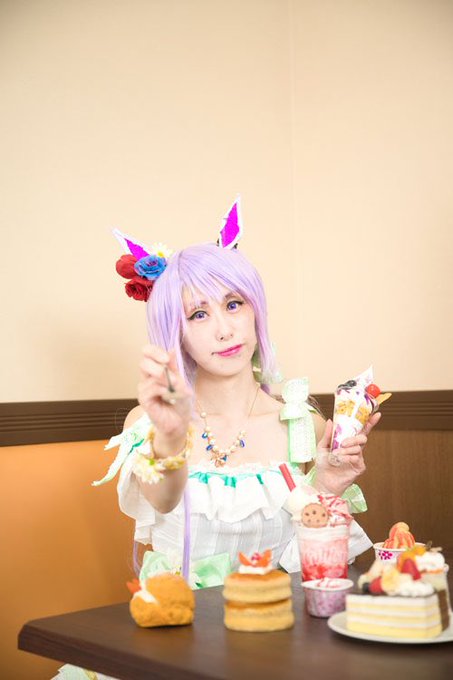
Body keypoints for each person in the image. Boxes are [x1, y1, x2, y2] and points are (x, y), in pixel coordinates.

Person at [95, 224, 380, 584]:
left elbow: (313, 570)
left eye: (233, 305)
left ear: (255, 310)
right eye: (198, 314)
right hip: (179, 614)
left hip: (276, 613)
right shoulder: (148, 422)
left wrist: (327, 488)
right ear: (175, 332)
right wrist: (169, 436)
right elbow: (162, 499)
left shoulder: (303, 425)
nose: (225, 330)